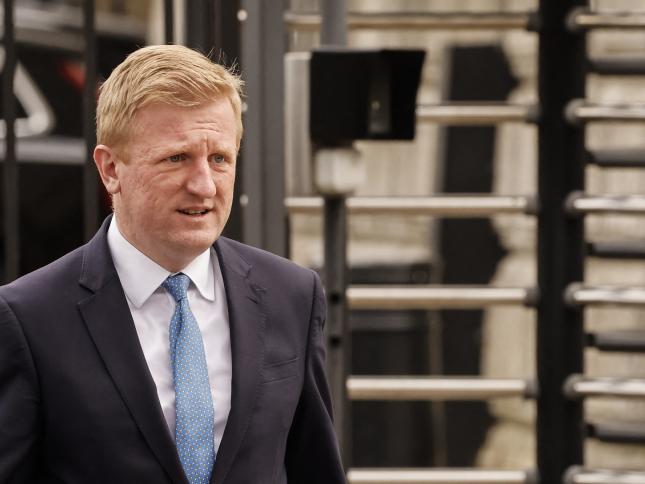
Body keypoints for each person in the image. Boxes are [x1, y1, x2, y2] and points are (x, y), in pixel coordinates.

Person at [0, 44, 345, 484]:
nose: (204, 186)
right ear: (111, 169)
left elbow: (315, 468)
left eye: (219, 159)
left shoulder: (292, 296)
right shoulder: (28, 318)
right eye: (176, 158)